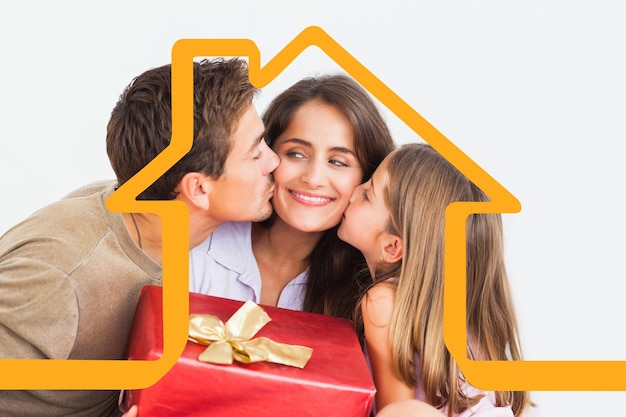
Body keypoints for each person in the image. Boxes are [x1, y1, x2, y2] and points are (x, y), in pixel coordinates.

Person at [0, 58, 279, 417]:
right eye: (255, 153)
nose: (273, 161)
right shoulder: (58, 277)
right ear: (197, 188)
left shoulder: (151, 213)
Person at [337, 143, 532, 416]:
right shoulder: (454, 310)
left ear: (393, 247)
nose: (355, 189)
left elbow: (394, 410)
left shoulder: (382, 301)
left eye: (368, 194)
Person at [189, 73, 395, 320]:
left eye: (338, 162)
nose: (314, 178)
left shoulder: (372, 295)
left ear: (367, 179)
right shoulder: (198, 245)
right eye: (296, 154)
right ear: (266, 154)